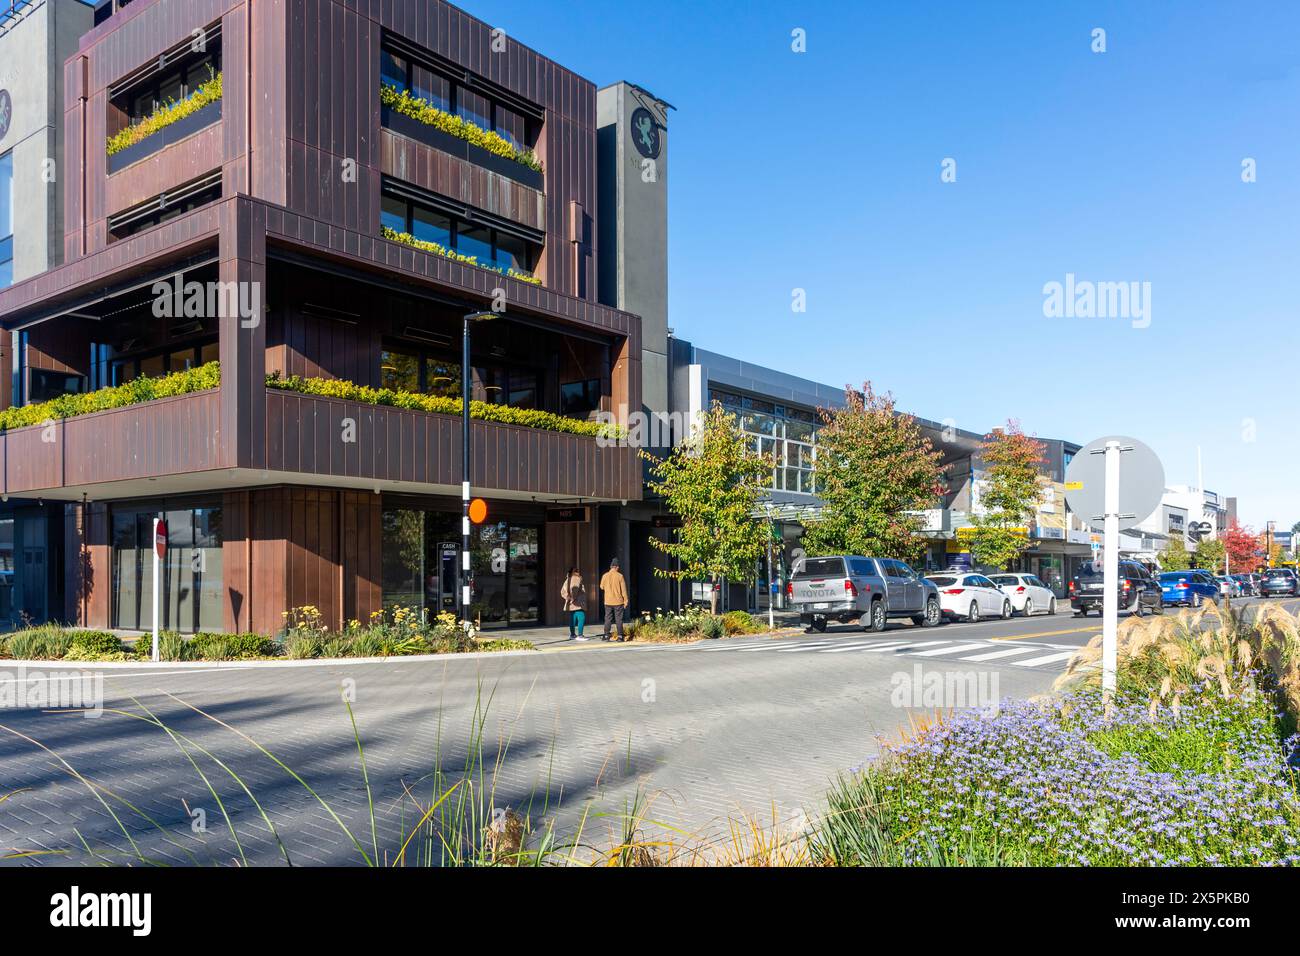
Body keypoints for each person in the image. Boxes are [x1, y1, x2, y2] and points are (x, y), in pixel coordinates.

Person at [599, 557, 629, 642]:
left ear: (611, 566)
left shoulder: (605, 575)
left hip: (608, 601)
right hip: (618, 601)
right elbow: (624, 590)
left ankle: (606, 635)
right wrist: (626, 600)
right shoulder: (620, 576)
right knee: (618, 619)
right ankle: (620, 636)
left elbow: (601, 587)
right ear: (617, 567)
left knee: (607, 618)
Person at [560, 567, 588, 641]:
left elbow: (562, 592)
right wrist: (573, 598)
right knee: (581, 617)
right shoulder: (576, 578)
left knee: (573, 619)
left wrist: (568, 598)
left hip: (571, 603)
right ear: (576, 572)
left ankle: (572, 635)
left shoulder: (567, 579)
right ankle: (580, 635)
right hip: (577, 603)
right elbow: (575, 589)